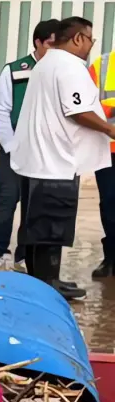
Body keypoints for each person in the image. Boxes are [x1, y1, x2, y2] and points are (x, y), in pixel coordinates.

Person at [10, 15, 115, 301]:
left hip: (39, 159)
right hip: (56, 161)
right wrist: (110, 129)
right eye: (90, 39)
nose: (91, 46)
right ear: (78, 38)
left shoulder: (47, 63)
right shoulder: (69, 67)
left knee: (37, 225)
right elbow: (77, 111)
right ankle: (48, 283)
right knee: (51, 226)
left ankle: (41, 280)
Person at [0, 19, 59, 272]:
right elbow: (2, 111)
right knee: (7, 200)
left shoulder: (62, 72)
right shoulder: (16, 71)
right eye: (51, 44)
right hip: (13, 149)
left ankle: (23, 257)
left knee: (34, 205)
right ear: (38, 42)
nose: (56, 49)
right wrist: (10, 145)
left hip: (44, 152)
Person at [87, 29, 115, 277]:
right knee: (109, 204)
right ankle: (112, 258)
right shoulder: (102, 65)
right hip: (108, 149)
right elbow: (85, 106)